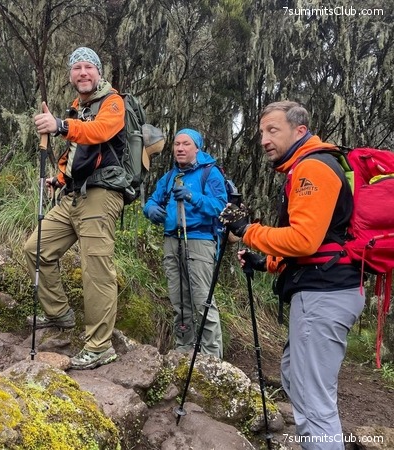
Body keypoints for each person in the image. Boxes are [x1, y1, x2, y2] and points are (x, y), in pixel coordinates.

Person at [219, 101, 364, 449]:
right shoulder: (308, 165)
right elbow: (319, 242)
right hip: (324, 289)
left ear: (300, 131)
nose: (264, 140)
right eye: (261, 132)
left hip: (324, 295)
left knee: (314, 401)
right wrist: (265, 263)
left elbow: (303, 240)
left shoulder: (312, 168)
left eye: (273, 130)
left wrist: (247, 230)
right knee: (294, 378)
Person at [24, 46, 125, 370]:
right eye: (77, 68)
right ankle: (59, 314)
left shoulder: (112, 102)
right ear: (71, 75)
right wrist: (59, 178)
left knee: (96, 269)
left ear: (98, 72)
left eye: (88, 67)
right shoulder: (78, 108)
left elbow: (100, 132)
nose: (83, 72)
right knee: (36, 248)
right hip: (73, 194)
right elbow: (75, 153)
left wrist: (60, 124)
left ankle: (99, 346)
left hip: (102, 193)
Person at [143, 129, 227, 357]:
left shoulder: (210, 173)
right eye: (177, 144)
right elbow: (151, 200)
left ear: (197, 148)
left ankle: (211, 357)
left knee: (202, 300)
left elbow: (221, 207)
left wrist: (192, 197)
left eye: (186, 144)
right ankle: (184, 350)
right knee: (178, 300)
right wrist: (151, 210)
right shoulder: (170, 176)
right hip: (172, 240)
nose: (180, 148)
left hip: (199, 240)